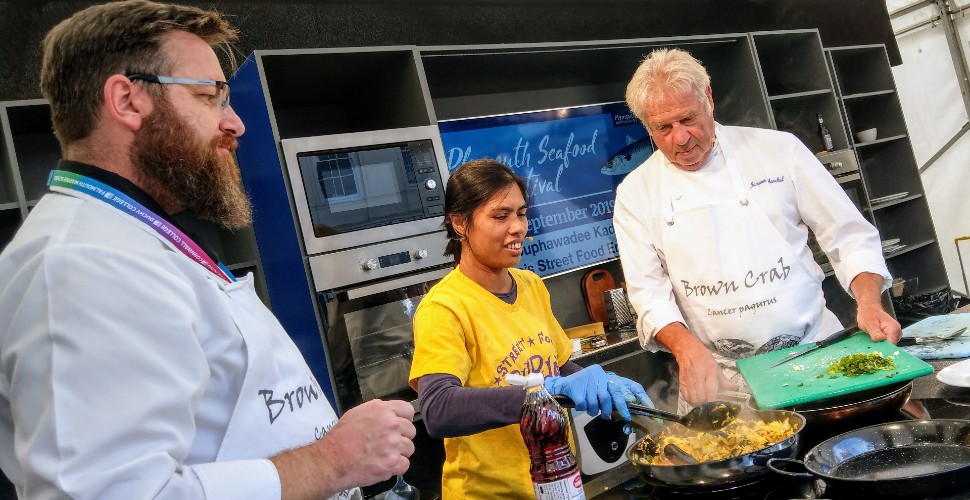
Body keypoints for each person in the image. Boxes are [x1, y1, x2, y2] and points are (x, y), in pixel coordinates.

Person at [0, 2, 415, 499]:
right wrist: (333, 461)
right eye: (209, 97)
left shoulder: (135, 234)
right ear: (127, 101)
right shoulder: (79, 263)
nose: (235, 123)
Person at [614, 48, 902, 409]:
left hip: (816, 354)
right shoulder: (635, 194)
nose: (681, 138)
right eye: (663, 128)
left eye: (688, 119)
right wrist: (686, 349)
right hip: (723, 381)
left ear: (709, 99)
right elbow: (649, 296)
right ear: (647, 127)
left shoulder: (779, 152)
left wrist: (870, 302)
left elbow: (849, 236)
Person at [408, 159, 653, 499]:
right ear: (461, 223)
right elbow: (438, 409)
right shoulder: (445, 307)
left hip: (556, 481)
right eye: (500, 216)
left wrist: (600, 382)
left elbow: (560, 366)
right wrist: (543, 392)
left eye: (521, 213)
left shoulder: (530, 284)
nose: (518, 227)